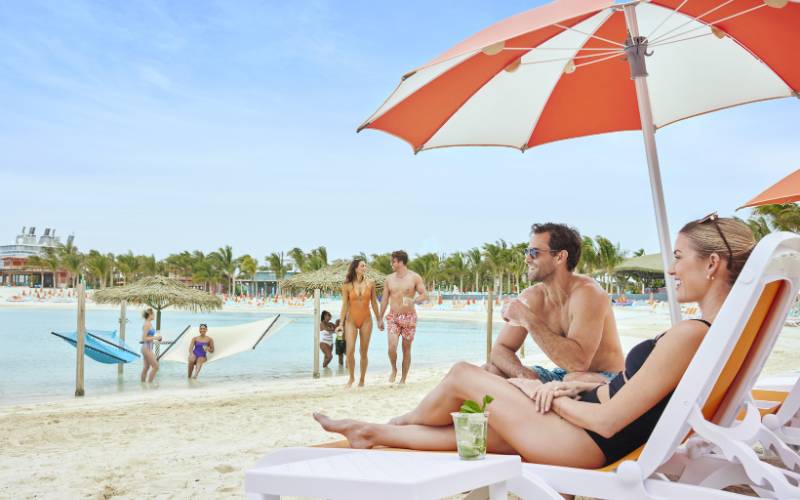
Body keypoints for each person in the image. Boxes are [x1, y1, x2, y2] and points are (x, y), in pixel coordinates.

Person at [314, 216, 755, 468]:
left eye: (678, 258)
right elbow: (625, 390)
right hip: (588, 422)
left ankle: (401, 421)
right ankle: (373, 431)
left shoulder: (690, 335)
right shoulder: (712, 334)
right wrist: (572, 387)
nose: (672, 270)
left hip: (587, 444)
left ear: (713, 264)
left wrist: (539, 392)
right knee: (484, 432)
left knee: (463, 374)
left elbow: (608, 421)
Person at [487, 223, 625, 384]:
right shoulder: (532, 297)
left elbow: (578, 364)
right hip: (564, 375)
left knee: (573, 378)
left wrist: (528, 318)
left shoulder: (588, 293)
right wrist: (521, 374)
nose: (527, 259)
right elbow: (499, 350)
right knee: (490, 371)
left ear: (560, 257)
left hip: (607, 378)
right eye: (527, 252)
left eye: (534, 252)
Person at [378, 250, 427, 384]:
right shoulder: (389, 279)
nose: (391, 264)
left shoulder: (414, 277)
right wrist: (380, 317)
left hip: (409, 317)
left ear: (401, 262)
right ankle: (394, 369)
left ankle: (403, 379)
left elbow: (424, 295)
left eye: (393, 261)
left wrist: (414, 300)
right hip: (393, 316)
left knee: (406, 349)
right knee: (392, 347)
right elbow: (384, 299)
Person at [339, 258, 381, 387]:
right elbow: (345, 305)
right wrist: (341, 323)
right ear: (356, 268)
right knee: (350, 350)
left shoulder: (371, 283)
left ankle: (362, 380)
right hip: (351, 320)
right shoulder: (346, 285)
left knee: (363, 351)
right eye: (362, 266)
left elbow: (374, 302)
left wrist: (379, 318)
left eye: (365, 266)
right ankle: (351, 378)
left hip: (366, 320)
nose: (364, 268)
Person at [140, 308, 162, 383]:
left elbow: (149, 337)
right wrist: (156, 337)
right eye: (153, 314)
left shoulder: (149, 323)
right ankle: (149, 384)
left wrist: (156, 338)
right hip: (146, 348)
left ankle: (143, 385)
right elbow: (144, 338)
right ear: (150, 314)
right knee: (156, 367)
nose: (154, 316)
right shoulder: (146, 324)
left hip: (148, 348)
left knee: (146, 367)